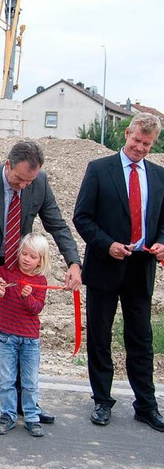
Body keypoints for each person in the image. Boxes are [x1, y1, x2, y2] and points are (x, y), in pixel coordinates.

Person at [0, 140, 82, 428]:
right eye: (19, 179)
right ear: (7, 164)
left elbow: (57, 224)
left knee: (22, 338)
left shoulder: (39, 183)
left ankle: (26, 405)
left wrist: (73, 262)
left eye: (30, 181)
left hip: (20, 268)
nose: (24, 186)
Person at [73, 113, 164, 431]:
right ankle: (102, 401)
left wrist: (161, 243)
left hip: (141, 267)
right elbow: (82, 217)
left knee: (141, 339)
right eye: (137, 140)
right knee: (100, 335)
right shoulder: (99, 169)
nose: (140, 148)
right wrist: (106, 244)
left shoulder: (159, 175)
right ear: (127, 134)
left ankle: (146, 405)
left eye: (147, 144)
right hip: (105, 265)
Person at [0, 232, 50, 438]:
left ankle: (31, 417)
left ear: (41, 260)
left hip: (30, 340)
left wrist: (27, 297)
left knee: (30, 382)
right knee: (6, 380)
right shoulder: (7, 271)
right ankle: (8, 415)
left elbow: (37, 308)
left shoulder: (40, 281)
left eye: (32, 256)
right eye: (24, 254)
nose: (26, 259)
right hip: (7, 337)